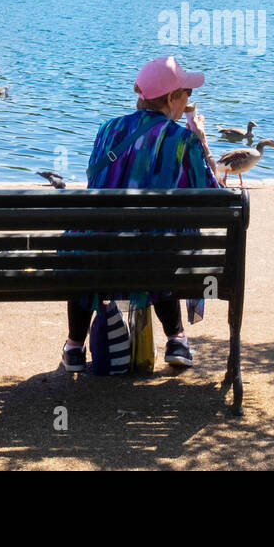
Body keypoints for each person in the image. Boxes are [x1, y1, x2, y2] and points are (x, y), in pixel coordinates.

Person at [61, 56, 221, 372]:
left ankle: (75, 347)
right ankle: (176, 339)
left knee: (88, 240)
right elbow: (214, 197)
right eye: (187, 92)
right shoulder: (182, 140)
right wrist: (201, 142)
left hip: (99, 255)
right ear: (172, 98)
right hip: (157, 257)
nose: (190, 99)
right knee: (162, 238)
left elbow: (97, 185)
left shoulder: (107, 129)